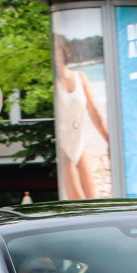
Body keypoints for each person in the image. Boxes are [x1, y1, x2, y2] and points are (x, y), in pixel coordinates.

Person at [54, 34, 110, 200]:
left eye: (58, 50)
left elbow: (95, 113)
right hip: (64, 146)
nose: (56, 55)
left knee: (93, 203)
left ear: (63, 52)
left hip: (79, 142)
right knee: (77, 204)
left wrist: (109, 142)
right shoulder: (54, 82)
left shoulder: (80, 77)